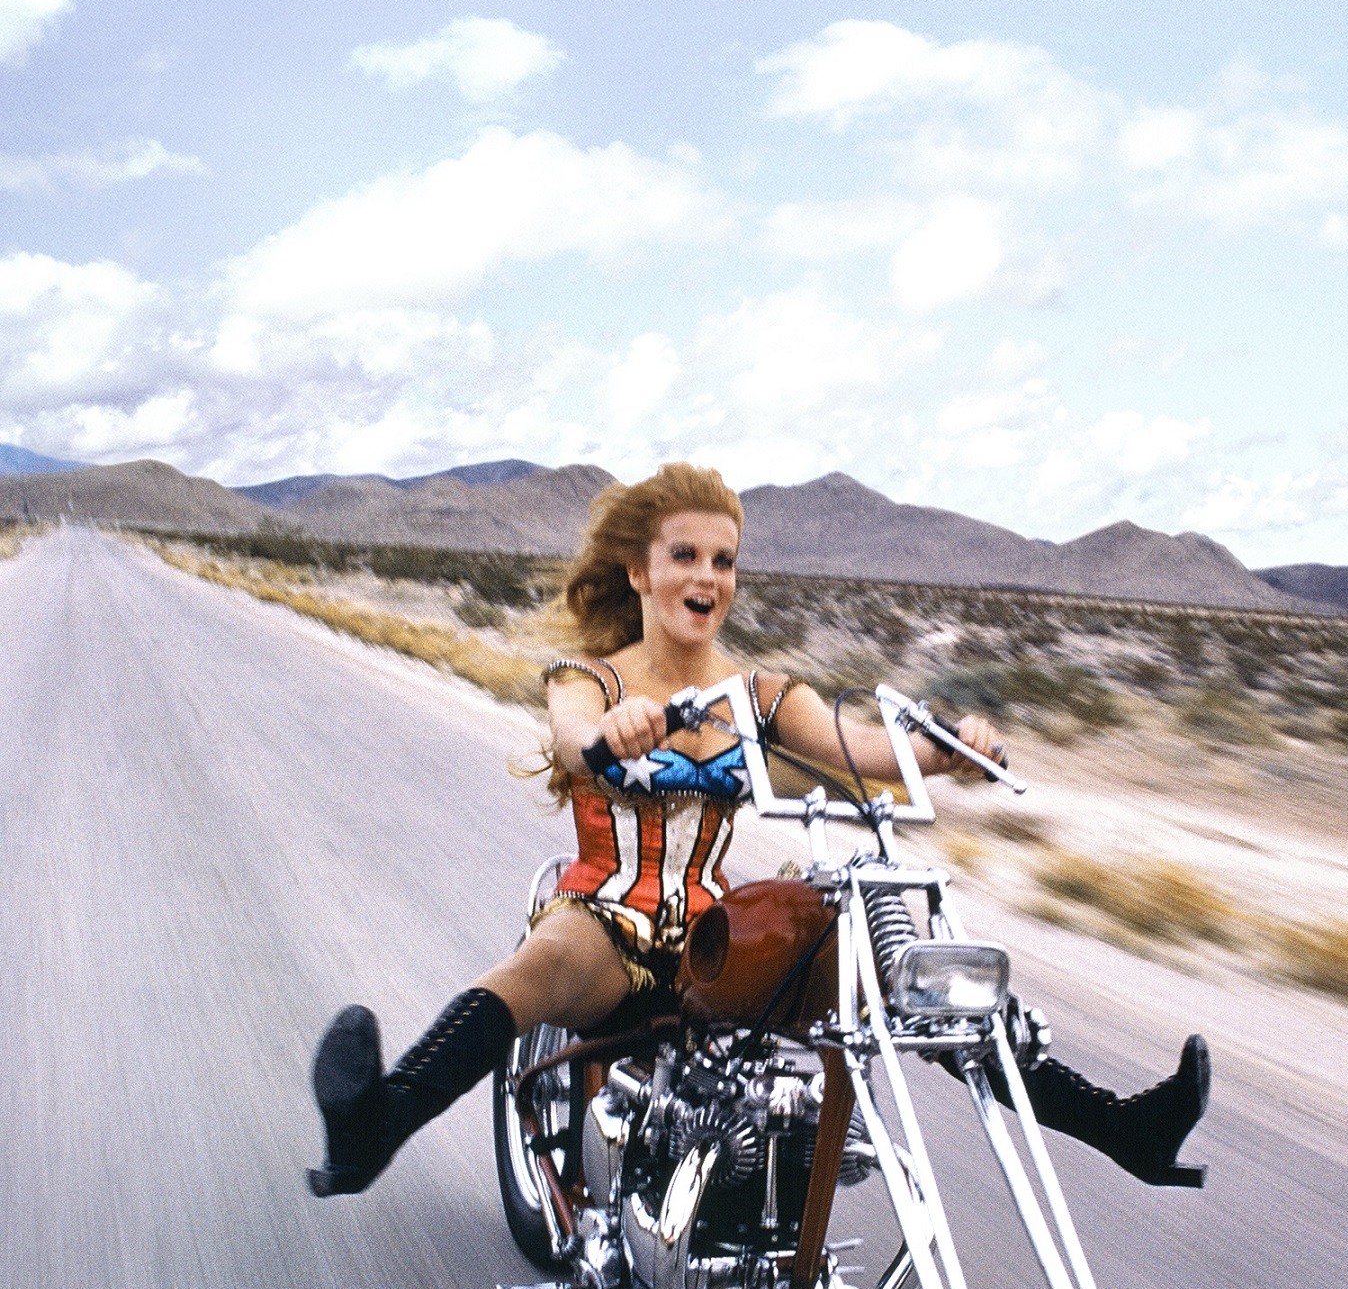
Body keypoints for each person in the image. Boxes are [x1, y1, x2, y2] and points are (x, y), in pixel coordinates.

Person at [306, 462, 1208, 1199]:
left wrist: (942, 750)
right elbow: (573, 740)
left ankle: (1120, 1126)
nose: (706, 578)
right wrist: (608, 737)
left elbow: (860, 748)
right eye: (685, 555)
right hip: (607, 924)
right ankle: (376, 1122)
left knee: (895, 972)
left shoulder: (764, 693)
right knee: (535, 968)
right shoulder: (591, 678)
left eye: (724, 560)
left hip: (711, 929)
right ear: (639, 571)